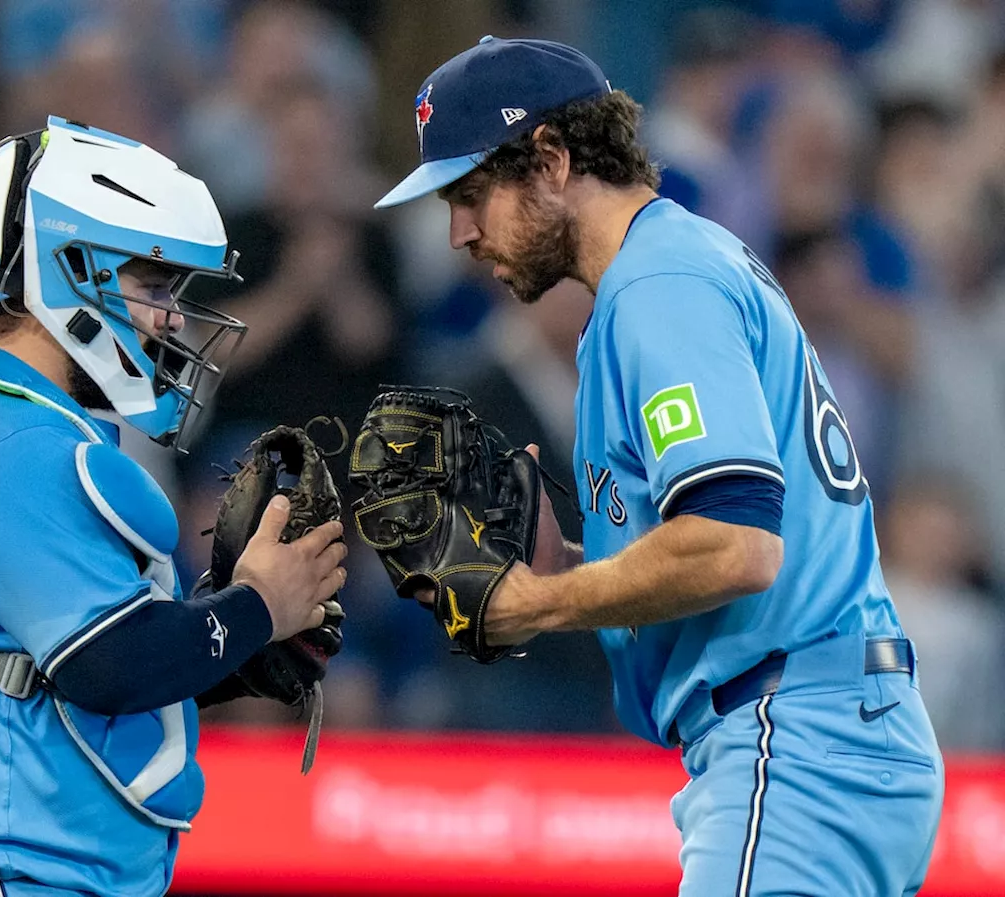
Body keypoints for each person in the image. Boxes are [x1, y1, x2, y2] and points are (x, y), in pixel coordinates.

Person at [374, 36, 942, 896]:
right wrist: (579, 569)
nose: (458, 232)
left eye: (471, 194)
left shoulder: (657, 283)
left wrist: (540, 603)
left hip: (795, 737)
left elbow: (735, 547)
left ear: (553, 159)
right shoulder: (669, 271)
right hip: (828, 731)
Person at [0, 116, 347, 897]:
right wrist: (256, 608)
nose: (173, 317)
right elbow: (107, 665)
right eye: (154, 285)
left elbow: (54, 679)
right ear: (65, 271)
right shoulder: (1, 440)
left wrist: (233, 641)